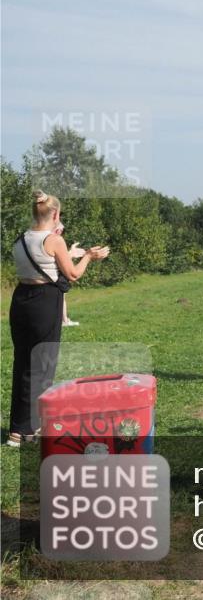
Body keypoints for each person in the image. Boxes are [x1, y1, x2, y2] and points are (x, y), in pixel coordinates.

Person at [8, 191, 110, 447]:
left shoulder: (20, 238)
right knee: (42, 365)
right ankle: (34, 429)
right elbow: (73, 274)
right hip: (44, 302)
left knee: (22, 363)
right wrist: (89, 256)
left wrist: (66, 248)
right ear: (55, 214)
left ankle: (16, 431)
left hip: (20, 300)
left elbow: (41, 261)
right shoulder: (54, 241)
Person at [53, 222, 85, 327]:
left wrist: (70, 253)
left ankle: (64, 319)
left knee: (62, 297)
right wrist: (71, 254)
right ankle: (64, 320)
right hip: (54, 278)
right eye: (59, 230)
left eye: (62, 231)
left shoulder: (52, 240)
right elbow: (57, 261)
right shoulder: (52, 240)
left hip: (57, 277)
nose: (60, 232)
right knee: (61, 297)